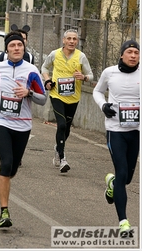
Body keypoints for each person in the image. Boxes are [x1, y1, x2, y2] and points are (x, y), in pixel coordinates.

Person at [0, 31, 47, 228]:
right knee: (6, 163)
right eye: (12, 46)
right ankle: (4, 211)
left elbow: (43, 100)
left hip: (23, 123)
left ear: (23, 48)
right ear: (7, 49)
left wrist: (29, 92)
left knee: (13, 168)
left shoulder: (31, 70)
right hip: (1, 119)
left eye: (19, 45)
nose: (16, 48)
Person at [92, 40, 140, 235]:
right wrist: (103, 106)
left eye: (137, 52)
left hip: (136, 131)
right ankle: (123, 222)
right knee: (121, 173)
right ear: (122, 55)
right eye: (130, 52)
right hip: (115, 130)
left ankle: (112, 185)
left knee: (126, 178)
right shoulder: (109, 72)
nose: (134, 55)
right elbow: (97, 91)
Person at [41, 29, 93, 173]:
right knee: (62, 124)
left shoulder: (81, 57)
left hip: (73, 97)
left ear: (77, 41)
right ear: (63, 40)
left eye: (74, 39)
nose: (71, 41)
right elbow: (44, 67)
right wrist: (47, 80)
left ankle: (58, 148)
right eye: (69, 39)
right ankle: (63, 159)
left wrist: (83, 77)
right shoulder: (54, 54)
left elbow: (91, 75)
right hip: (57, 95)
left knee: (67, 129)